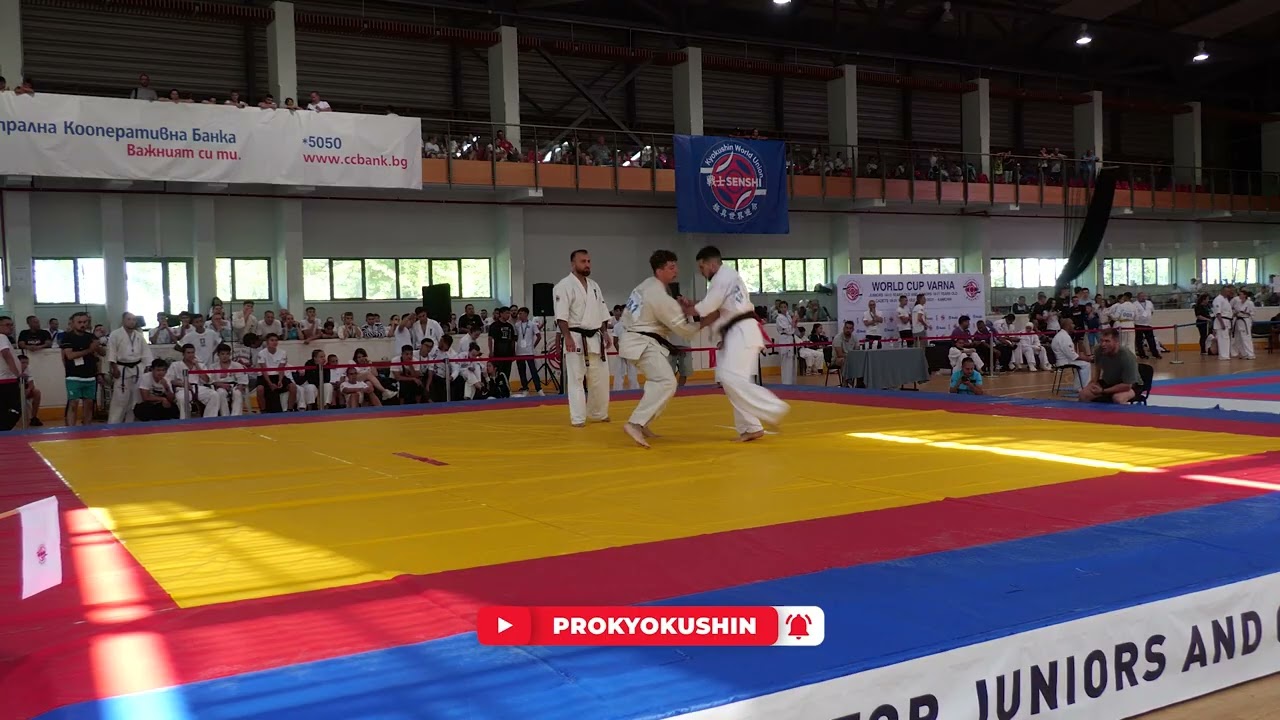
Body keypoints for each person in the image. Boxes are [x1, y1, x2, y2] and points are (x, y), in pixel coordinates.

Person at [685, 246, 789, 442]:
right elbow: (714, 306)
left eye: (702, 267)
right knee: (732, 381)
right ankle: (750, 427)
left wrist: (684, 310)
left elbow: (707, 306)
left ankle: (773, 408)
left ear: (712, 264)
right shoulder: (727, 278)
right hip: (736, 333)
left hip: (741, 332)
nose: (701, 272)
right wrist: (691, 304)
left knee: (731, 378)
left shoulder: (721, 278)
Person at [617, 250, 703, 448]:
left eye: (676, 266)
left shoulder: (645, 286)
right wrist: (704, 321)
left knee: (658, 382)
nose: (676, 271)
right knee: (666, 382)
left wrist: (680, 308)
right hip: (640, 342)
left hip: (639, 339)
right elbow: (683, 329)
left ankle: (643, 422)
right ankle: (635, 423)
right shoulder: (657, 293)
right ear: (659, 270)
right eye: (671, 267)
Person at [553, 249, 611, 427]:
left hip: (595, 337)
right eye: (583, 261)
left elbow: (601, 311)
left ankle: (598, 412)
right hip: (576, 337)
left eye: (588, 261)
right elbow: (561, 316)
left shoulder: (594, 285)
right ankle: (578, 417)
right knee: (576, 379)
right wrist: (567, 337)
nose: (587, 264)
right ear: (573, 264)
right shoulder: (563, 286)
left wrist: (606, 332)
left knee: (600, 378)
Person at [106, 312, 153, 423]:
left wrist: (147, 366)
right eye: (129, 319)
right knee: (120, 399)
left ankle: (130, 424)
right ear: (123, 320)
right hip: (121, 369)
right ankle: (113, 424)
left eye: (133, 319)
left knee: (136, 399)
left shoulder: (139, 335)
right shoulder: (115, 334)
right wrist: (114, 367)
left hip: (137, 369)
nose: (131, 322)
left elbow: (145, 352)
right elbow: (111, 351)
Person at [1079, 329, 1140, 404]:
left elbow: (1127, 385)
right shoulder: (1099, 350)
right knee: (1083, 394)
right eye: (1101, 341)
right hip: (1108, 382)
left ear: (1116, 341)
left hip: (1130, 385)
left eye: (1107, 341)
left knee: (1118, 398)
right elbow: (1097, 370)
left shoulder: (1126, 356)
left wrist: (1103, 391)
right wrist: (1093, 384)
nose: (1103, 344)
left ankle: (1124, 414)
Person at [62, 311, 100, 427]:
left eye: (85, 322)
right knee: (73, 403)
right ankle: (71, 429)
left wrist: (98, 344)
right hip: (74, 375)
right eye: (79, 322)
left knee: (89, 404)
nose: (82, 324)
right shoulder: (67, 337)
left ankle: (87, 428)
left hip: (90, 375)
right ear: (73, 323)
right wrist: (89, 349)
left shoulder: (91, 337)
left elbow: (101, 353)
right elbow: (70, 355)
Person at [1050, 318, 1092, 393]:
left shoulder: (1060, 335)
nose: (1074, 325)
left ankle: (1078, 386)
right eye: (1072, 324)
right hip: (1065, 361)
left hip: (1062, 360)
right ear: (1068, 326)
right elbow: (1072, 356)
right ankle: (1083, 387)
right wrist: (1086, 358)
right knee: (1086, 365)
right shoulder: (1065, 337)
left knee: (1082, 363)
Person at [0, 316, 21, 430]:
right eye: (7, 325)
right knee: (15, 409)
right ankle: (3, 431)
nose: (11, 327)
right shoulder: (2, 337)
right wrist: (17, 373)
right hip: (7, 380)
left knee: (4, 410)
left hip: (5, 379)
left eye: (11, 325)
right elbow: (6, 354)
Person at [1212, 285, 1234, 361]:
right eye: (1227, 291)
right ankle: (1223, 355)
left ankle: (1226, 355)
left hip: (1227, 321)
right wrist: (1222, 323)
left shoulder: (1225, 299)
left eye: (1229, 291)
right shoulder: (1218, 299)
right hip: (1222, 321)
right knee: (1222, 339)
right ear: (1222, 291)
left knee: (1226, 339)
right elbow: (1218, 313)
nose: (1228, 292)